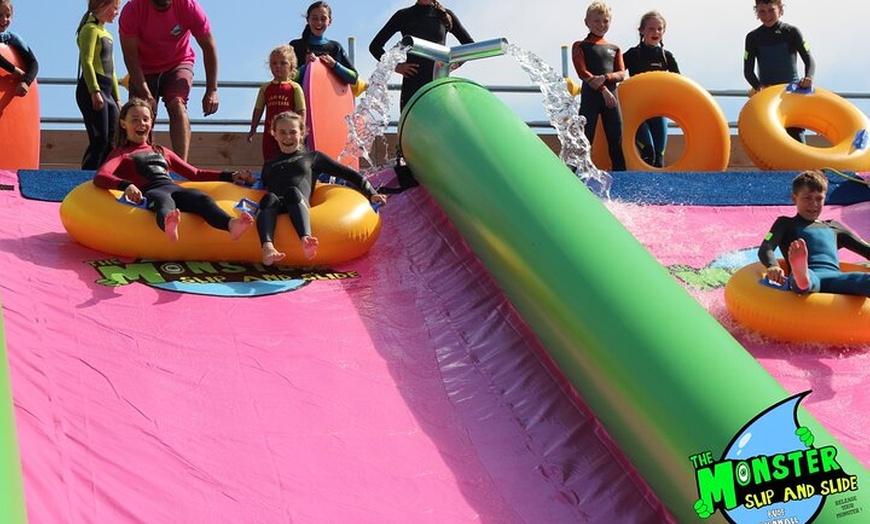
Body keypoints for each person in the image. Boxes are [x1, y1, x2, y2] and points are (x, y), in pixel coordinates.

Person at [94, 98, 255, 243]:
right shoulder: (121, 153)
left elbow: (195, 173)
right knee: (164, 202)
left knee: (202, 198)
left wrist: (230, 175)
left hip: (175, 189)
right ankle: (169, 226)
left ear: (152, 123)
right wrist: (126, 185)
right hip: (152, 191)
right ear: (123, 123)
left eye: (145, 119)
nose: (141, 124)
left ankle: (231, 225)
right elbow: (101, 176)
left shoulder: (161, 151)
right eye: (135, 120)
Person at [257, 111, 387, 265]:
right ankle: (268, 247)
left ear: (302, 133)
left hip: (298, 203)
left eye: (293, 132)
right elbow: (259, 185)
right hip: (274, 206)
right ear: (274, 134)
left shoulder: (313, 158)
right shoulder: (269, 164)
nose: (287, 137)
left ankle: (306, 239)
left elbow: (348, 174)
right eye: (282, 132)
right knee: (269, 197)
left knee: (292, 192)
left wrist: (371, 193)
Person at [369, 0, 473, 191]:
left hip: (437, 83)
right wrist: (397, 67)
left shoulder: (445, 15)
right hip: (412, 82)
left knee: (440, 128)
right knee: (410, 131)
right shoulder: (403, 15)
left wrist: (453, 64)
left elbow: (469, 45)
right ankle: (409, 183)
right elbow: (375, 46)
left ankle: (442, 175)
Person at [118, 0, 220, 161]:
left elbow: (208, 47)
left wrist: (212, 90)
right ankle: (141, 163)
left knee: (177, 104)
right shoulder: (133, 9)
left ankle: (181, 165)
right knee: (141, 111)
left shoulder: (188, 6)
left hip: (178, 63)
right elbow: (130, 56)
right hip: (143, 68)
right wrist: (145, 93)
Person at [758, 170, 870, 297]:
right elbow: (766, 247)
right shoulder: (785, 223)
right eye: (807, 198)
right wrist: (773, 266)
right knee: (803, 278)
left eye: (819, 198)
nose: (814, 204)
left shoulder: (834, 226)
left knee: (864, 280)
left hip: (836, 277)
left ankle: (802, 278)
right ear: (794, 198)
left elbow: (866, 250)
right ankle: (801, 274)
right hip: (809, 274)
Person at [743, 0, 814, 143]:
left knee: (795, 134)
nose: (767, 15)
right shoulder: (753, 37)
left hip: (791, 93)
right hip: (767, 95)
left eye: (771, 10)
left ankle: (803, 166)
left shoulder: (791, 32)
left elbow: (809, 60)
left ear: (780, 9)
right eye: (762, 11)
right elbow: (747, 70)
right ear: (756, 12)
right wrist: (758, 86)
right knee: (770, 138)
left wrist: (808, 77)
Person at [572, 1, 626, 172]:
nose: (601, 25)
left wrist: (604, 78)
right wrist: (604, 90)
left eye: (605, 21)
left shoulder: (615, 48)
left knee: (616, 140)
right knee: (585, 139)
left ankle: (622, 179)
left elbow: (621, 74)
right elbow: (583, 73)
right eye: (596, 21)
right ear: (586, 22)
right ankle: (577, 175)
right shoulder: (580, 46)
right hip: (592, 98)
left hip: (611, 100)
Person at [623, 11, 680, 168]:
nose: (655, 32)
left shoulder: (667, 57)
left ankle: (656, 192)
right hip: (637, 111)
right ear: (641, 31)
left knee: (659, 159)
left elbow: (680, 84)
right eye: (651, 29)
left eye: (659, 29)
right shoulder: (632, 54)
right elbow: (617, 74)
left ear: (664, 31)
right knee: (648, 152)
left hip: (658, 111)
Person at [76, 0, 122, 170]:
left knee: (114, 139)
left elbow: (113, 69)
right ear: (103, 5)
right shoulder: (89, 29)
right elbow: (86, 62)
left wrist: (117, 98)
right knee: (99, 138)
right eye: (115, 8)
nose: (117, 12)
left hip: (108, 91)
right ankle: (86, 177)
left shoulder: (107, 34)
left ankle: (105, 175)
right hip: (92, 88)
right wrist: (94, 90)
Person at [246, 45, 305, 163]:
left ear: (291, 67)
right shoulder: (265, 88)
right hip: (270, 133)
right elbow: (258, 109)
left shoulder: (295, 87)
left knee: (290, 158)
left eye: (283, 63)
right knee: (270, 159)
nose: (278, 66)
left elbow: (301, 110)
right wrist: (253, 128)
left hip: (288, 132)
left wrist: (300, 131)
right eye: (274, 63)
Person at [289, 2, 358, 86]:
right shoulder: (295, 46)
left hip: (328, 98)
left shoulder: (335, 47)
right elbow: (286, 77)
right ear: (307, 20)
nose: (319, 22)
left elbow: (354, 78)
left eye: (323, 18)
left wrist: (334, 65)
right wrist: (305, 67)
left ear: (330, 21)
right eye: (314, 18)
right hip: (302, 98)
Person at [0, 0, 38, 97]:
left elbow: (33, 63)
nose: (4, 19)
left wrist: (26, 82)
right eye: (0, 15)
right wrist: (13, 70)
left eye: (8, 16)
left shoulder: (12, 39)